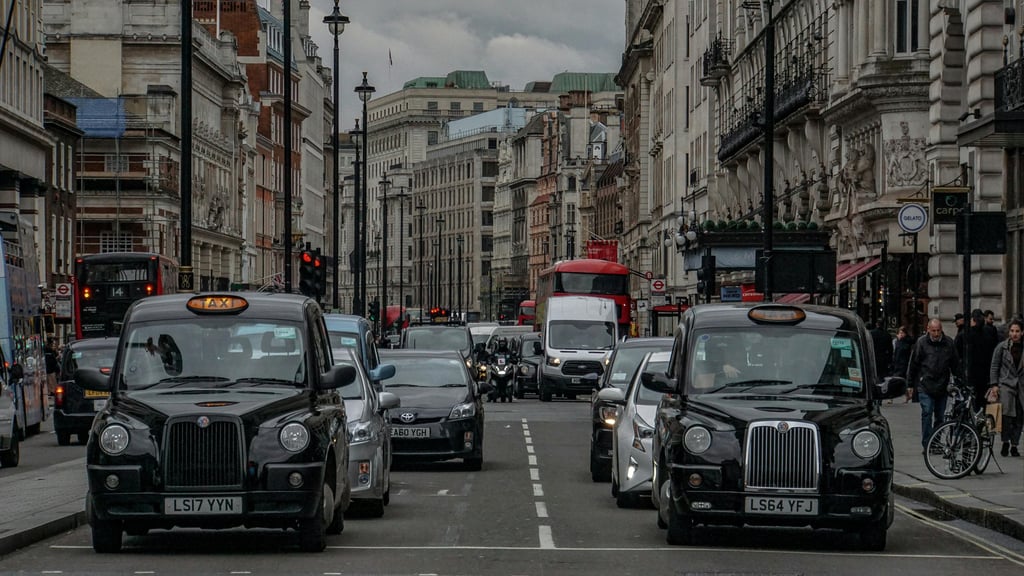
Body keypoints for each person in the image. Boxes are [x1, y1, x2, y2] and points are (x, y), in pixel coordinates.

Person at [906, 318, 962, 453]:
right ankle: (927, 443)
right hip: (925, 384)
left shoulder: (948, 343)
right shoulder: (922, 343)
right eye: (933, 331)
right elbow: (913, 364)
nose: (936, 334)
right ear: (928, 329)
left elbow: (955, 364)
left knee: (940, 416)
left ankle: (935, 443)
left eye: (938, 331)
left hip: (942, 385)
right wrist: (909, 384)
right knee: (927, 412)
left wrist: (959, 381)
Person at [989, 318, 1024, 457]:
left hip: (1021, 387)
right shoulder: (1001, 347)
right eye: (1012, 331)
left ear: (1022, 333)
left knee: (1019, 417)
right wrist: (994, 384)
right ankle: (1005, 442)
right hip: (1006, 385)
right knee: (1006, 417)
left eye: (1017, 331)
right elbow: (994, 366)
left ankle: (1015, 445)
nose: (1014, 334)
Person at [891, 326, 914, 401]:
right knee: (900, 380)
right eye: (900, 333)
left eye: (902, 333)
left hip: (903, 364)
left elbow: (905, 351)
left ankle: (891, 397)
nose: (901, 334)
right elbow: (895, 352)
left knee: (898, 380)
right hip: (897, 363)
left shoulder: (906, 342)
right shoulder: (897, 341)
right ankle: (907, 394)